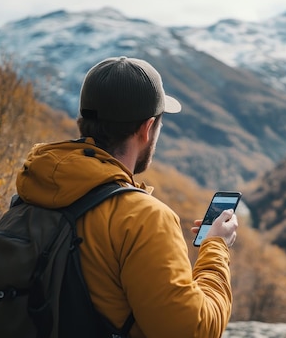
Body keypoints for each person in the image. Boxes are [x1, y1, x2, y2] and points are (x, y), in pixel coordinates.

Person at [15, 56, 238, 337]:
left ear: (82, 121)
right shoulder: (144, 218)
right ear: (147, 129)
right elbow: (193, 330)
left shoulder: (32, 189)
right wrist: (216, 246)